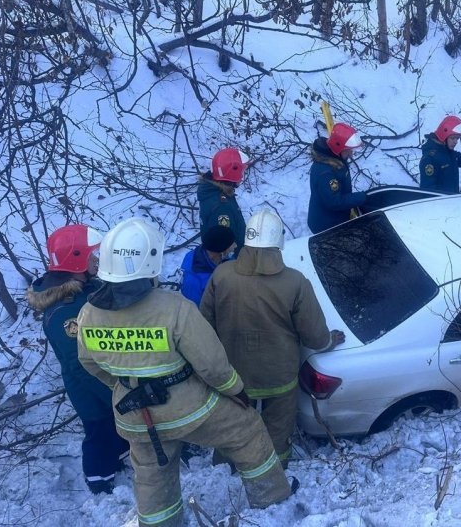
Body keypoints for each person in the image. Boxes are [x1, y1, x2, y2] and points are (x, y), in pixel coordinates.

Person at [76, 218, 292, 527]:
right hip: (188, 408)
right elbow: (212, 364)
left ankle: (160, 522)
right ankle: (272, 499)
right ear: (151, 260)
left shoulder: (88, 314)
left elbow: (89, 363)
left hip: (133, 415)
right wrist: (235, 390)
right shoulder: (173, 307)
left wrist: (126, 384)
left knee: (151, 474)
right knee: (247, 431)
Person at [200, 209, 345, 466]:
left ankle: (226, 465)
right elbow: (313, 335)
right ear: (278, 242)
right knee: (278, 428)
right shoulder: (294, 282)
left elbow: (204, 326)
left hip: (233, 376)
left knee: (233, 426)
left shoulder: (221, 275)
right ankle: (275, 471)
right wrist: (329, 341)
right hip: (278, 375)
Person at [26, 224, 130, 495]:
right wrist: (115, 391)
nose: (98, 260)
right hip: (91, 388)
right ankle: (98, 479)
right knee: (98, 431)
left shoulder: (81, 289)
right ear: (76, 260)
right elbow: (81, 364)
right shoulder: (65, 313)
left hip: (104, 378)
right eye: (93, 255)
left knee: (113, 427)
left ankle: (117, 460)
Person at [307, 123, 367, 233]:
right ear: (338, 148)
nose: (351, 155)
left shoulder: (334, 159)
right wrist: (361, 197)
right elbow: (335, 202)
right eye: (348, 151)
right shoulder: (326, 174)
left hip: (334, 217)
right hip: (325, 225)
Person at [198, 147, 251, 248]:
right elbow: (224, 248)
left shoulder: (213, 193)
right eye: (241, 171)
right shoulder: (222, 206)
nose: (242, 176)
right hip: (236, 261)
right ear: (231, 172)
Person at [179, 225, 236, 307]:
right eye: (232, 244)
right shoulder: (193, 281)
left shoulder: (226, 258)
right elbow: (194, 312)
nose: (235, 246)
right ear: (221, 250)